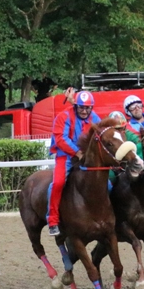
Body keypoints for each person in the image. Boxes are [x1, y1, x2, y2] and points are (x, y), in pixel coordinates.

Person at [47, 90, 100, 236]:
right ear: (75, 106)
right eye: (81, 107)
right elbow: (60, 139)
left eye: (87, 108)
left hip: (86, 157)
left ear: (91, 108)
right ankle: (52, 221)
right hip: (66, 157)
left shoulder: (96, 119)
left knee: (106, 183)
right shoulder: (63, 117)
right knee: (57, 183)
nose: (84, 111)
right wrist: (77, 152)